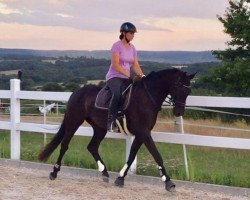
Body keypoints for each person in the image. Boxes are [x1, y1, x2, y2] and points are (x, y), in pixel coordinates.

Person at [105, 22, 145, 132]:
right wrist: (130, 75)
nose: (133, 35)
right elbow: (115, 65)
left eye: (133, 33)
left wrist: (142, 76)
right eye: (131, 33)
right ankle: (111, 121)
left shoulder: (132, 48)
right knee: (117, 94)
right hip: (114, 76)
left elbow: (135, 64)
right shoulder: (116, 46)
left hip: (127, 77)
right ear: (123, 33)